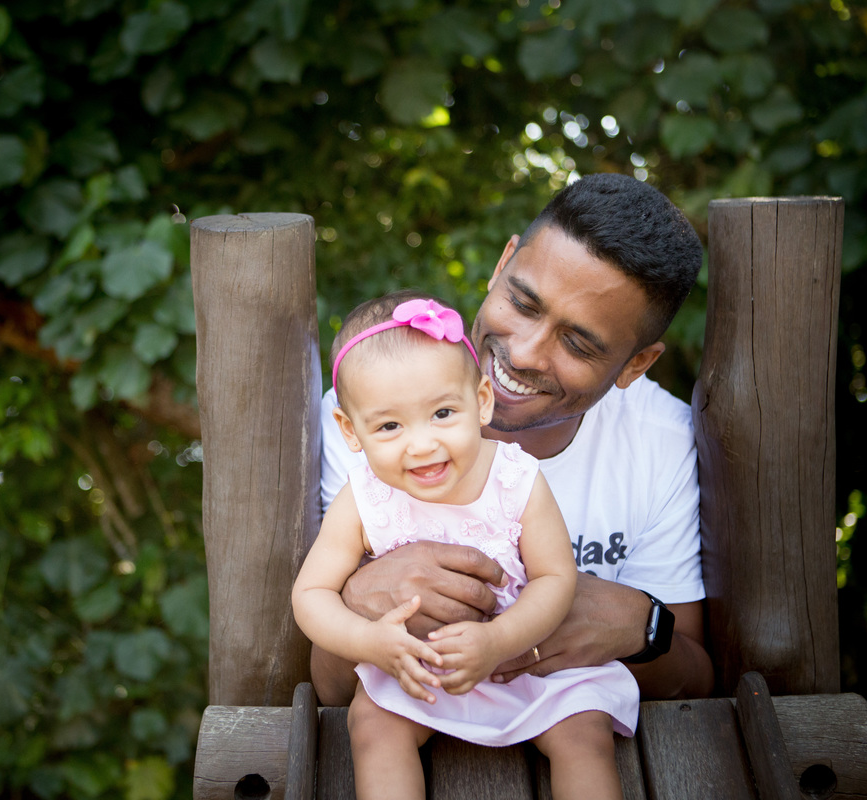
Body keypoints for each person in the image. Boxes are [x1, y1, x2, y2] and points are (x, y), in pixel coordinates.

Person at [313, 173, 715, 708]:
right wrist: (360, 604)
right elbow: (328, 690)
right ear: (502, 266)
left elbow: (700, 684)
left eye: (577, 343)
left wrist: (640, 625)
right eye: (524, 304)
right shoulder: (375, 418)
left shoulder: (663, 446)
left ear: (636, 364)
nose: (524, 353)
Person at [293, 293, 637, 800]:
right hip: (420, 669)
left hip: (525, 658)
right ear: (351, 430)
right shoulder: (363, 495)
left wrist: (499, 641)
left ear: (481, 401)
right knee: (372, 723)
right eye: (389, 426)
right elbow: (311, 594)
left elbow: (556, 578)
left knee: (583, 730)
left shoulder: (514, 477)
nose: (422, 443)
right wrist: (369, 642)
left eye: (442, 413)